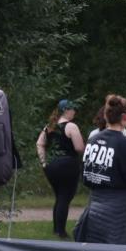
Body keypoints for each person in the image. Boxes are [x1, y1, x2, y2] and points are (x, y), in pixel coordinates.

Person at [73, 95, 126, 245]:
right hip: (121, 212)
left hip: (94, 206)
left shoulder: (92, 141)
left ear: (106, 116)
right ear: (125, 116)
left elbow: (86, 175)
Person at [36, 99, 85, 238]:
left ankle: (56, 229)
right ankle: (61, 232)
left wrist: (44, 162)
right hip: (68, 165)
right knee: (65, 197)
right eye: (73, 109)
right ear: (66, 111)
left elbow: (39, 144)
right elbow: (79, 148)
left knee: (60, 197)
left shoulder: (50, 126)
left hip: (51, 166)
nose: (75, 111)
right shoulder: (71, 126)